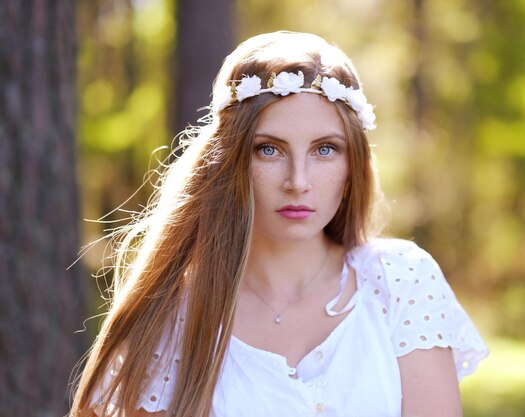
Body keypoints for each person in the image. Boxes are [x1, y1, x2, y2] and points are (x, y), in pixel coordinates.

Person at [70, 31, 488, 417]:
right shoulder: (177, 316)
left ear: (351, 167)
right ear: (231, 163)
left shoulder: (400, 281)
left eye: (325, 150)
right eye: (269, 150)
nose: (298, 182)